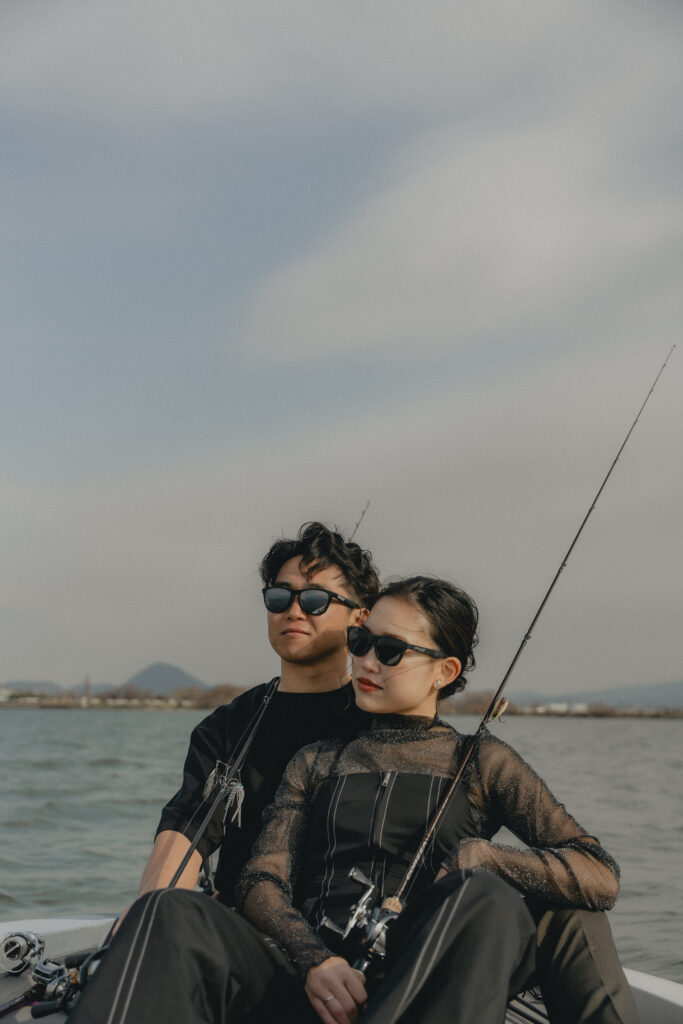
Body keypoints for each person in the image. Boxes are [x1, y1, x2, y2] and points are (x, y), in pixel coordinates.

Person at [72, 575, 638, 1024]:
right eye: (361, 642)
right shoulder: (317, 760)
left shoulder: (483, 762)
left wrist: (483, 858)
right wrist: (314, 961)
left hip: (420, 986)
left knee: (498, 898)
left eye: (389, 651)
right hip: (309, 984)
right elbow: (261, 880)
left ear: (444, 671)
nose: (366, 662)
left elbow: (599, 872)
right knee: (164, 908)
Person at [122, 521, 380, 908]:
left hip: (345, 926)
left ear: (359, 618)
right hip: (240, 925)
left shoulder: (381, 720)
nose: (293, 611)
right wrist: (153, 910)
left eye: (314, 600)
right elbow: (187, 827)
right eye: (280, 597)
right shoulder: (229, 726)